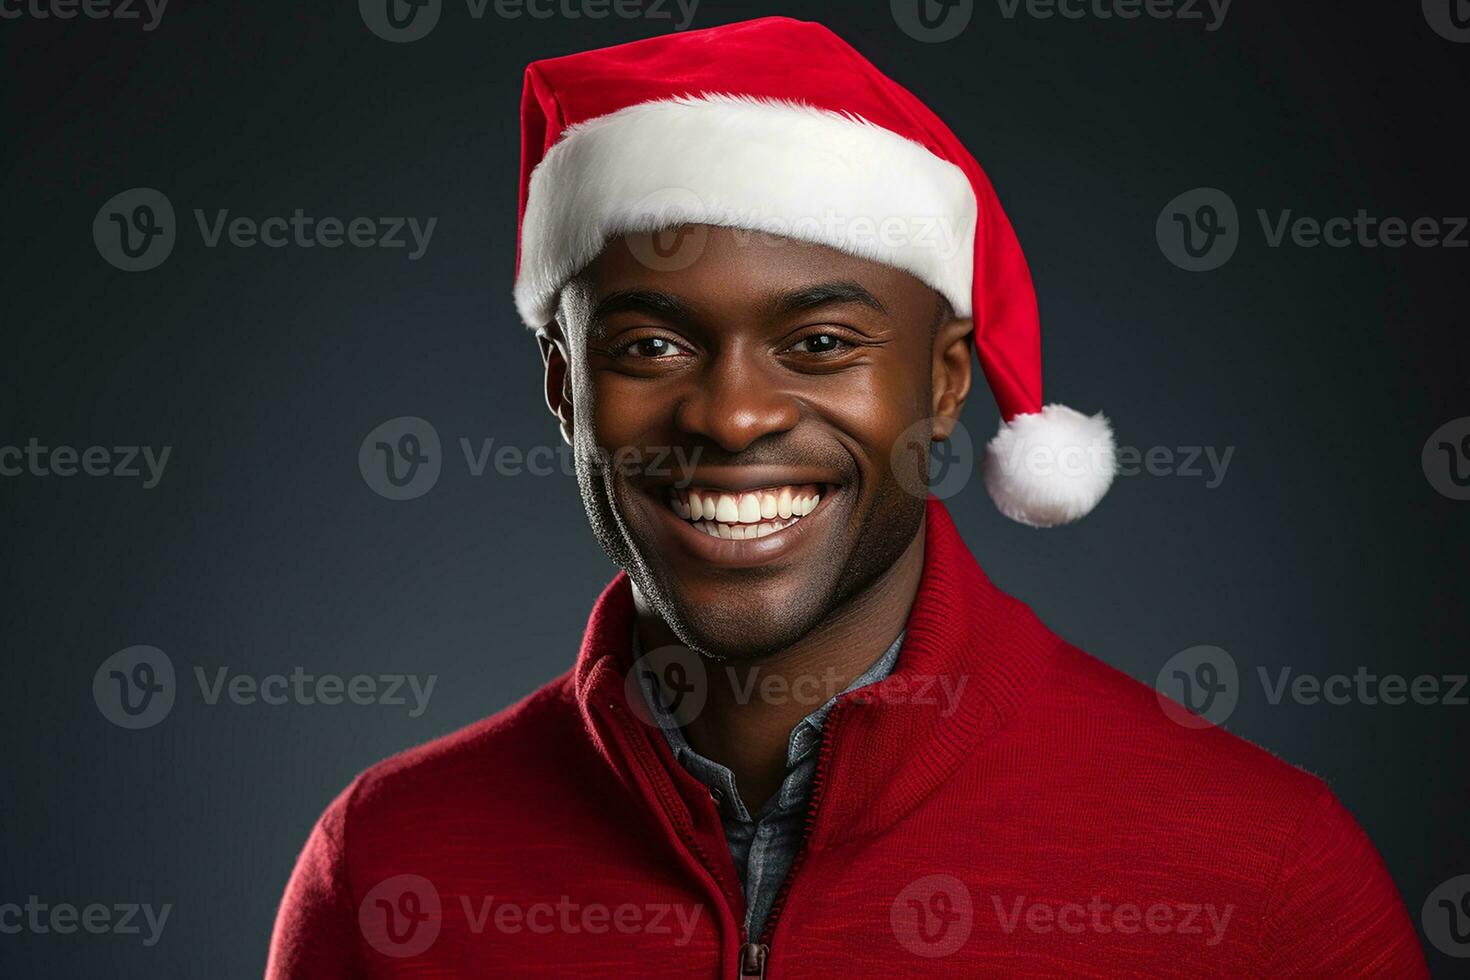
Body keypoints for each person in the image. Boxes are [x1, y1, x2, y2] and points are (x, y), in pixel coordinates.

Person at [267, 17, 1426, 977]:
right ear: (565, 385)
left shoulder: (1262, 873)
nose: (730, 416)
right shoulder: (386, 862)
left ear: (944, 381)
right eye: (653, 345)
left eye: (819, 341)